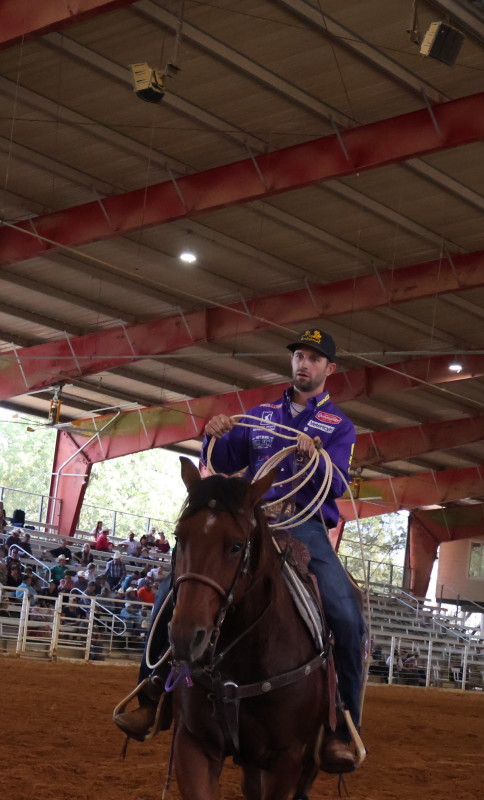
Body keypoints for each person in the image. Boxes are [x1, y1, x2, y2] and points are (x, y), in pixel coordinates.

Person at [114, 328, 364, 774]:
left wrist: (317, 458)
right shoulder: (262, 415)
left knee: (345, 610)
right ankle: (151, 690)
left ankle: (341, 726)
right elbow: (225, 461)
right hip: (254, 516)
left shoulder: (338, 426)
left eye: (313, 358)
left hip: (303, 523)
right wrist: (213, 434)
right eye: (299, 356)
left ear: (329, 369)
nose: (303, 364)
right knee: (178, 584)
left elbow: (340, 482)